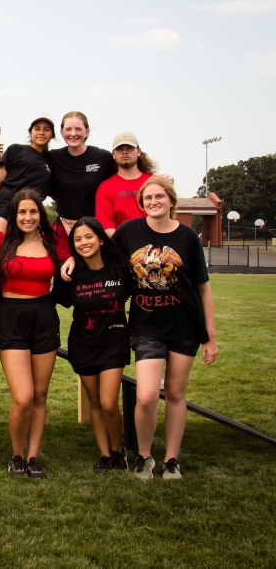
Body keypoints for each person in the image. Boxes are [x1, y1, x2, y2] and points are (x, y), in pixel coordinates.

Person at [113, 176, 218, 480]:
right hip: (146, 326)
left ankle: (172, 460)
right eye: (148, 197)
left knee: (174, 392)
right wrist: (70, 263)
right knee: (146, 395)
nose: (154, 201)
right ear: (141, 203)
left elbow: (203, 289)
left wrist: (210, 338)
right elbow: (102, 259)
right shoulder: (128, 232)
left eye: (159, 196)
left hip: (185, 325)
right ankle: (144, 456)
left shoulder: (187, 237)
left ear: (171, 201)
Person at [0, 189, 59, 479]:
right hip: (10, 318)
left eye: (33, 211)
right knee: (23, 397)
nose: (28, 217)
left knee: (40, 395)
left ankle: (33, 457)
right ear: (14, 215)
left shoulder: (52, 243)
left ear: (40, 214)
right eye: (22, 212)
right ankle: (17, 454)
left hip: (44, 317)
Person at [56, 217, 131, 472]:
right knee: (95, 402)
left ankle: (118, 449)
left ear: (100, 239)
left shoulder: (120, 268)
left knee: (109, 402)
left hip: (114, 341)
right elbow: (54, 300)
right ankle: (104, 454)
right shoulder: (71, 273)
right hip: (83, 343)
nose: (84, 243)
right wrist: (68, 263)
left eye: (89, 237)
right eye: (77, 239)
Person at [45, 112, 116, 259]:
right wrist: (3, 156)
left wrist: (158, 179)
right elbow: (27, 163)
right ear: (61, 132)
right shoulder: (52, 157)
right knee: (63, 269)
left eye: (78, 129)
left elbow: (124, 176)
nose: (73, 134)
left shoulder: (103, 157)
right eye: (68, 129)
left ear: (87, 132)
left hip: (95, 227)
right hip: (63, 227)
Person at [0, 117, 55, 241]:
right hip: (6, 202)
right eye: (37, 129)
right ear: (30, 132)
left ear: (52, 135)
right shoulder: (16, 149)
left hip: (30, 210)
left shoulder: (50, 161)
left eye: (46, 129)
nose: (41, 132)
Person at [95, 132, 159, 237]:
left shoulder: (154, 182)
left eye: (129, 148)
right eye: (120, 149)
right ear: (113, 154)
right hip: (123, 244)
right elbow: (107, 227)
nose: (124, 152)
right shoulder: (105, 188)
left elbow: (166, 217)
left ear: (138, 152)